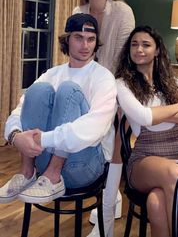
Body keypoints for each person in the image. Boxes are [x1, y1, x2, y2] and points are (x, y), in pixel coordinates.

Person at [0, 13, 117, 206]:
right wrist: (15, 136)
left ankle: (54, 174)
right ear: (67, 39)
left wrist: (43, 139)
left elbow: (95, 128)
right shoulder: (52, 74)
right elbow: (21, 108)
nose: (85, 46)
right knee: (38, 90)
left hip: (84, 166)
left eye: (91, 39)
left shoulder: (103, 77)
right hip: (42, 162)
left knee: (68, 90)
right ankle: (26, 171)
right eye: (78, 38)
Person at [115, 25, 178, 237]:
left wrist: (159, 112)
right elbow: (143, 118)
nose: (139, 49)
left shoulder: (172, 83)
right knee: (175, 175)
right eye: (134, 44)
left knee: (156, 201)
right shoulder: (122, 84)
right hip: (145, 158)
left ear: (157, 50)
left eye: (146, 44)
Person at [73, 0, 135, 237]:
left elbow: (123, 57)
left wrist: (104, 91)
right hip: (89, 85)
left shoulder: (122, 11)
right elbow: (77, 51)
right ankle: (112, 198)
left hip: (117, 84)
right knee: (93, 143)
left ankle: (106, 213)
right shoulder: (79, 10)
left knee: (112, 144)